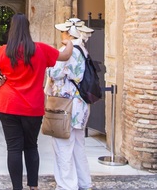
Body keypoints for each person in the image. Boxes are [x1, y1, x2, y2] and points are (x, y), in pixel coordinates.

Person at [0, 13, 73, 190]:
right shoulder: (40, 49)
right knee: (31, 146)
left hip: (8, 105)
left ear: (11, 30)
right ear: (27, 29)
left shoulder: (3, 51)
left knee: (13, 148)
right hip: (33, 107)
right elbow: (65, 56)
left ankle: (16, 188)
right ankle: (33, 186)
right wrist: (69, 41)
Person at [46, 18, 95, 190]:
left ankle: (67, 185)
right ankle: (83, 182)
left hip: (66, 105)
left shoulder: (67, 50)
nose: (61, 34)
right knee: (78, 146)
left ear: (69, 33)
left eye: (63, 31)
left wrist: (47, 68)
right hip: (80, 105)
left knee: (63, 146)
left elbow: (56, 72)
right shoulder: (83, 50)